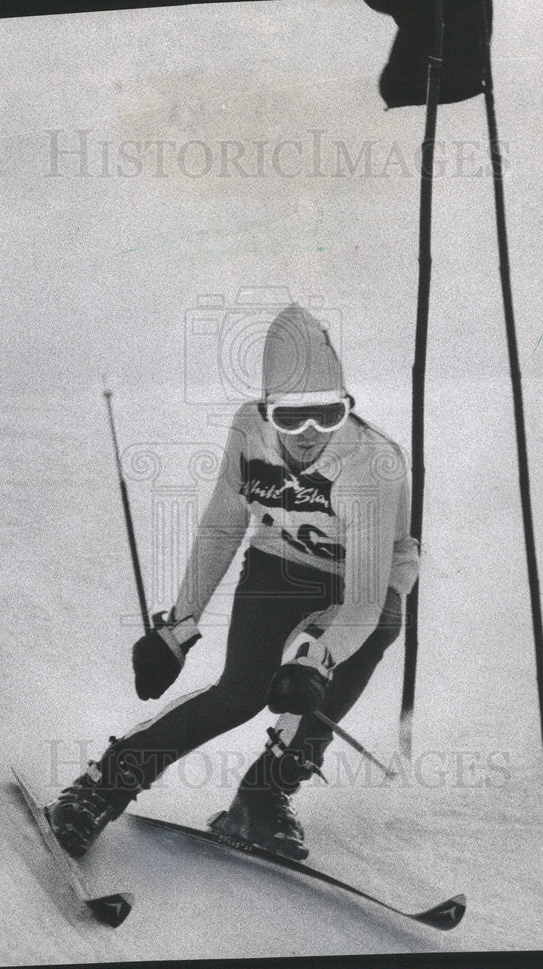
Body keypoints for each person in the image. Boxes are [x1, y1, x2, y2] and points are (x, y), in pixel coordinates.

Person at [48, 304, 420, 859]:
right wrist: (177, 628)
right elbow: (224, 525)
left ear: (348, 409)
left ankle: (263, 796)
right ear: (267, 411)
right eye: (290, 418)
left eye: (327, 415)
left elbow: (365, 601)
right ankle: (105, 784)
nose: (308, 435)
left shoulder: (372, 466)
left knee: (361, 642)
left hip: (360, 585)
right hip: (278, 565)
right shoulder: (249, 431)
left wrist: (316, 660)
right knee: (241, 693)